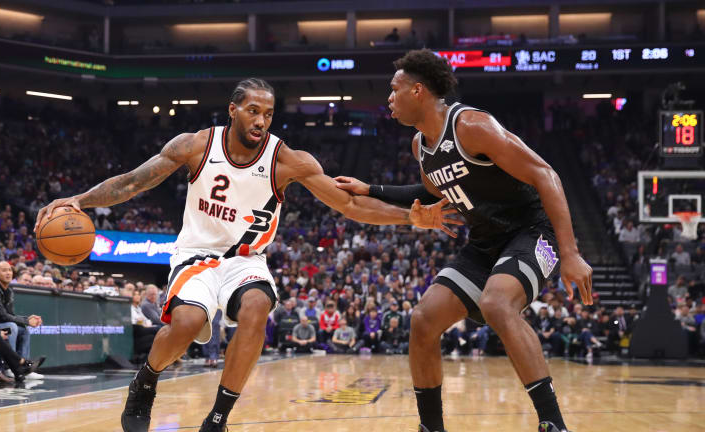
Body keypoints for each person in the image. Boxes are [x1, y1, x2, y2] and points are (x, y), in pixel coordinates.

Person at [34, 78, 451, 432]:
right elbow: (132, 183)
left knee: (257, 307)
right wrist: (79, 200)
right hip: (196, 254)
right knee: (187, 324)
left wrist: (410, 218)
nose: (261, 121)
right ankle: (146, 380)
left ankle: (218, 418)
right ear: (233, 110)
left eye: (268, 114)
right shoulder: (196, 145)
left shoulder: (287, 160)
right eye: (253, 111)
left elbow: (350, 204)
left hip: (246, 261)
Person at [335, 49, 592, 432]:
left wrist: (569, 253)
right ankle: (431, 427)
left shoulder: (472, 125)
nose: (388, 98)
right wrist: (370, 188)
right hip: (486, 241)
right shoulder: (420, 146)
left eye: (394, 89)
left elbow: (545, 174)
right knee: (423, 320)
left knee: (497, 303)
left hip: (533, 230)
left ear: (418, 91)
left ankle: (553, 424)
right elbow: (430, 192)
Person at [0, 261, 44, 379]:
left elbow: (10, 314)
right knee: (12, 327)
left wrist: (26, 319)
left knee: (23, 330)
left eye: (9, 270)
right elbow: (2, 316)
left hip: (2, 324)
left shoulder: (8, 290)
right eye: (4, 270)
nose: (8, 273)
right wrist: (26, 321)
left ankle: (24, 369)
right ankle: (9, 367)